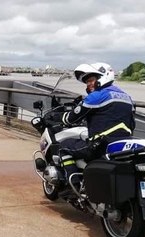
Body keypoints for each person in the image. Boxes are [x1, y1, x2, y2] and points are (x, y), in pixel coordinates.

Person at [48, 62, 135, 197]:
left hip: (100, 145)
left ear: (102, 77)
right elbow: (131, 124)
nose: (88, 84)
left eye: (91, 80)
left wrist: (55, 116)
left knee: (63, 147)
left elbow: (72, 118)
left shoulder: (97, 96)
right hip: (123, 144)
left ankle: (74, 185)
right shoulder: (126, 97)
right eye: (87, 82)